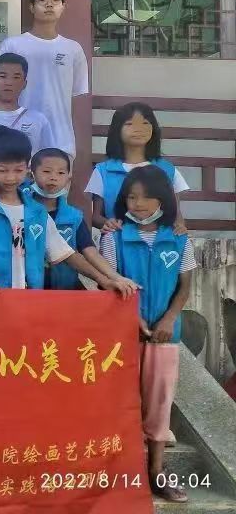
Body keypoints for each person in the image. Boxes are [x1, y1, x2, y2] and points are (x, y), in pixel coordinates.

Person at [98, 165, 194, 504]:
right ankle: (119, 474)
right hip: (122, 336)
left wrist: (169, 318)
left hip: (164, 337)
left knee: (159, 404)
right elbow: (107, 283)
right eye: (131, 197)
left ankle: (156, 472)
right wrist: (131, 318)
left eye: (146, 197)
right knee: (118, 404)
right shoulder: (112, 237)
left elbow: (185, 286)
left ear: (163, 200)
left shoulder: (179, 238)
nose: (138, 204)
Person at [0, 128, 134, 295]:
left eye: (18, 170)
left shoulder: (37, 212)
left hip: (30, 299)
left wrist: (105, 281)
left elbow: (66, 254)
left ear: (27, 168)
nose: (11, 177)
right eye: (3, 170)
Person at [0, 0, 89, 156]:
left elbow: (77, 96)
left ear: (63, 7)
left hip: (61, 140)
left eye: (56, 0)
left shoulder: (73, 49)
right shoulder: (12, 45)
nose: (49, 4)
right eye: (42, 0)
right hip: (16, 136)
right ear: (31, 7)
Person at [31, 148, 132, 290]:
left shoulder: (74, 216)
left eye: (61, 173)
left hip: (66, 289)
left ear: (69, 177)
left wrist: (116, 277)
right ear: (32, 174)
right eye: (47, 171)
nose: (53, 177)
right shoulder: (22, 209)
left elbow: (89, 251)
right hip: (29, 290)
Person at [86, 102, 189, 231]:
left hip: (161, 241)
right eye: (129, 124)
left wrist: (180, 228)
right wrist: (108, 223)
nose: (138, 129)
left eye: (145, 123)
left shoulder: (168, 170)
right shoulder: (103, 171)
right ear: (117, 130)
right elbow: (96, 216)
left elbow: (177, 214)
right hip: (118, 239)